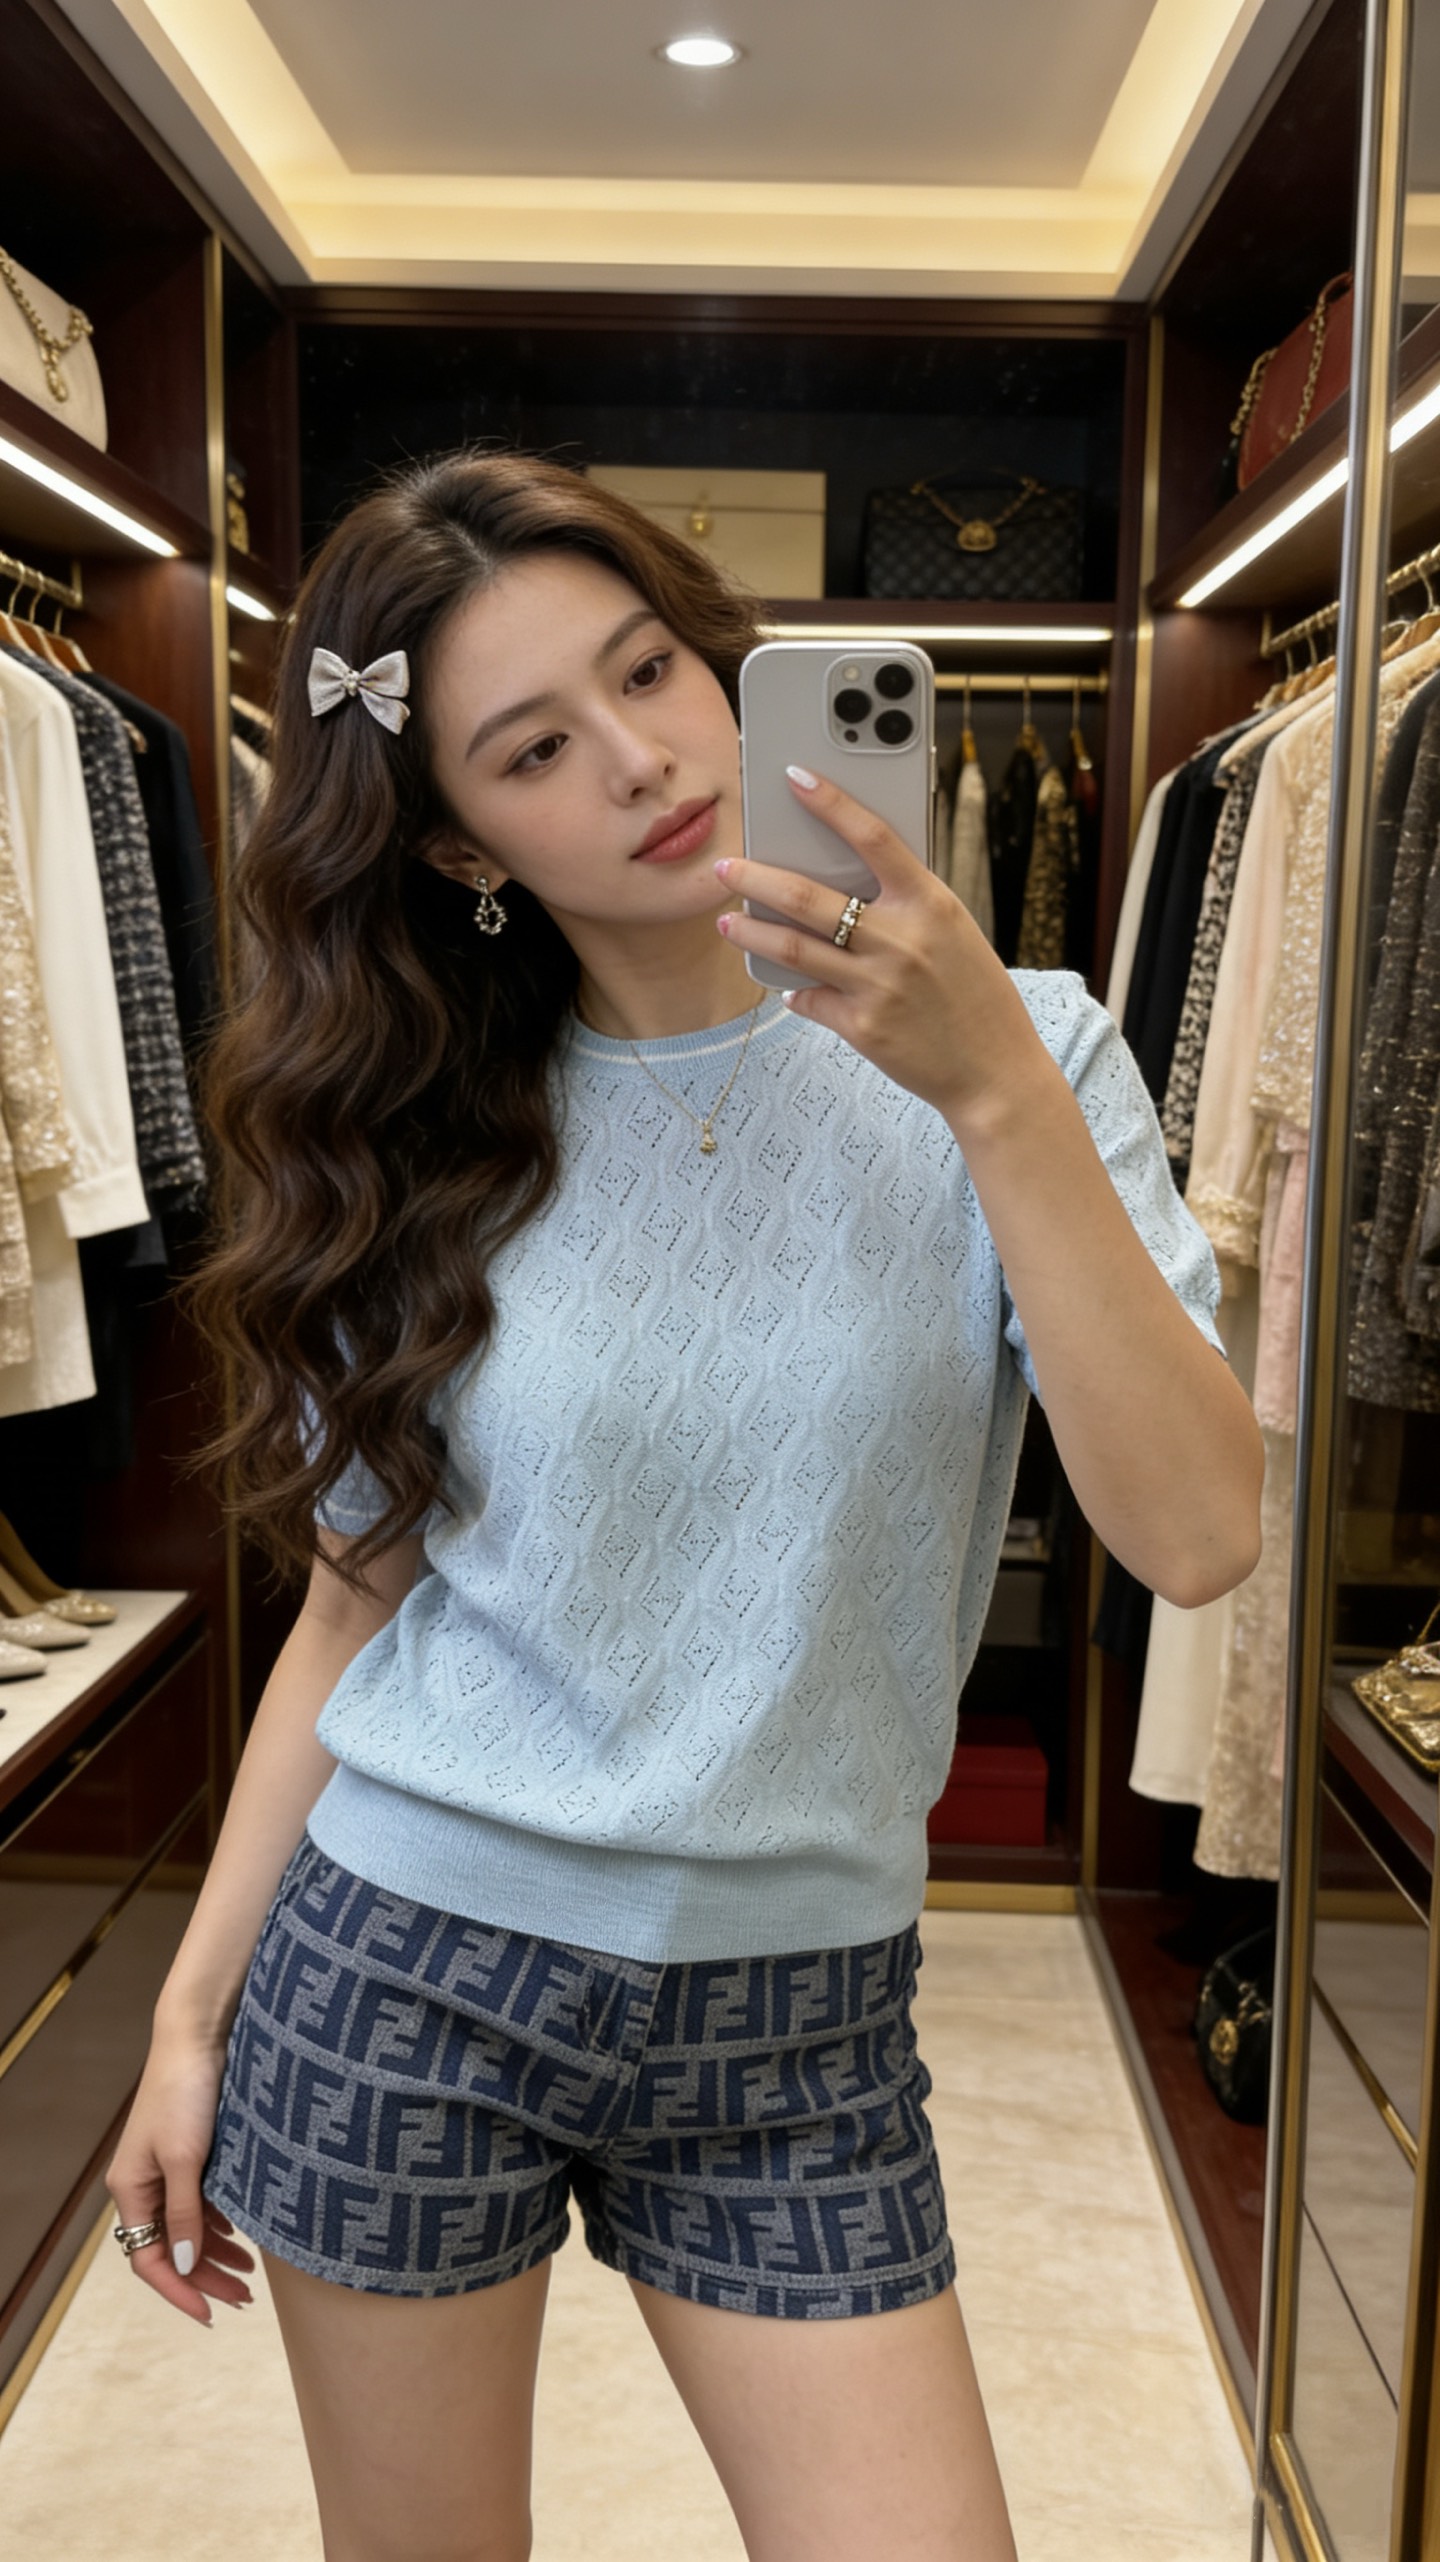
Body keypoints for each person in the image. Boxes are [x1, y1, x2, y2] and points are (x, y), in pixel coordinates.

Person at [106, 450, 1263, 2562]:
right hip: (408, 1970)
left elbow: (1197, 1535)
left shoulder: (1039, 1054)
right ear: (458, 837)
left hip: (802, 2020)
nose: (641, 759)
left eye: (648, 671)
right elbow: (356, 1608)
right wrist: (189, 2019)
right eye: (535, 747)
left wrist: (987, 1085)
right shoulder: (419, 1139)